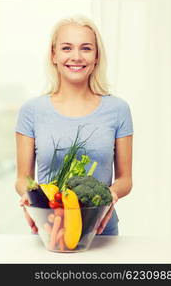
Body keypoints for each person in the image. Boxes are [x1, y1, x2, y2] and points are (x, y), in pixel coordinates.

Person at [15, 14, 133, 236]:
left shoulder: (118, 109)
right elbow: (23, 178)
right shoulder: (31, 110)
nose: (76, 57)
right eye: (67, 48)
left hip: (101, 230)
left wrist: (110, 195)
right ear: (54, 55)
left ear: (97, 56)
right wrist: (30, 196)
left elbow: (125, 179)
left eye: (86, 48)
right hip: (50, 228)